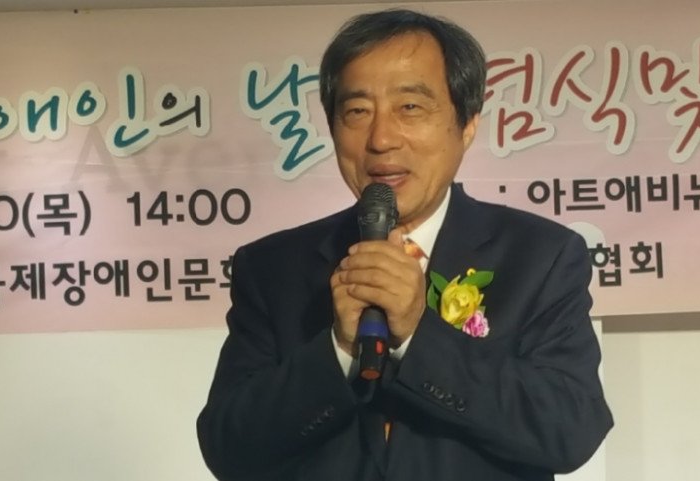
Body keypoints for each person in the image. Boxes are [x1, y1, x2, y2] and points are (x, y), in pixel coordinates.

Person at [197, 8, 613, 481]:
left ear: (467, 125)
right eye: (357, 111)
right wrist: (339, 349)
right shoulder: (272, 269)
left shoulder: (541, 257)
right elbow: (228, 449)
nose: (381, 138)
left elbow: (570, 431)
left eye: (410, 107)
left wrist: (419, 333)